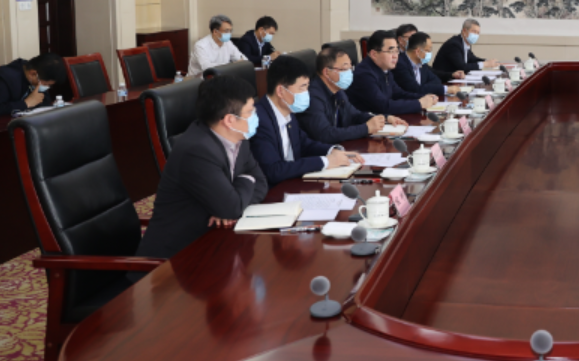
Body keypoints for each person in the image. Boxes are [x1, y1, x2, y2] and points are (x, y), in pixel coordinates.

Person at [135, 75, 269, 262]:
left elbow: (261, 183)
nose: (255, 114)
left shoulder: (240, 138)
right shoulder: (197, 151)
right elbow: (233, 206)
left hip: (213, 242)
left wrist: (235, 205)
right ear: (230, 120)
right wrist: (245, 183)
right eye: (250, 111)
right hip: (173, 261)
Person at [251, 56, 361, 185]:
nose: (306, 93)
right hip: (274, 190)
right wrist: (325, 161)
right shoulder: (259, 120)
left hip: (293, 183)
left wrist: (332, 151)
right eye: (302, 88)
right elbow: (273, 170)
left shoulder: (288, 110)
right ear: (280, 91)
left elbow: (304, 144)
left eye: (307, 87)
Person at [300, 46, 400, 144]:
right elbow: (325, 134)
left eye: (350, 67)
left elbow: (355, 115)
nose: (349, 72)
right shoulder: (312, 96)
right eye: (345, 68)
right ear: (327, 72)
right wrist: (366, 128)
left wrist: (384, 119)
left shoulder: (338, 90)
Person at [351, 29, 438, 117]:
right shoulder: (364, 74)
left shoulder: (385, 70)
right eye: (391, 51)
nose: (395, 56)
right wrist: (419, 103)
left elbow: (399, 94)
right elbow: (384, 106)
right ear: (374, 54)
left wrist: (424, 97)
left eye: (396, 51)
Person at [395, 31, 453, 98]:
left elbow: (436, 80)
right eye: (428, 50)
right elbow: (414, 89)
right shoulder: (400, 64)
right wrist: (445, 89)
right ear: (418, 51)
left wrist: (423, 88)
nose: (429, 54)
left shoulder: (422, 63)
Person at [433, 18, 498, 77]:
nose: (476, 35)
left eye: (478, 33)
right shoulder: (454, 44)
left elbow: (472, 59)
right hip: (443, 80)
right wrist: (484, 64)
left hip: (456, 79)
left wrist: (487, 61)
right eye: (474, 31)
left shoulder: (465, 43)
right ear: (464, 31)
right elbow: (462, 67)